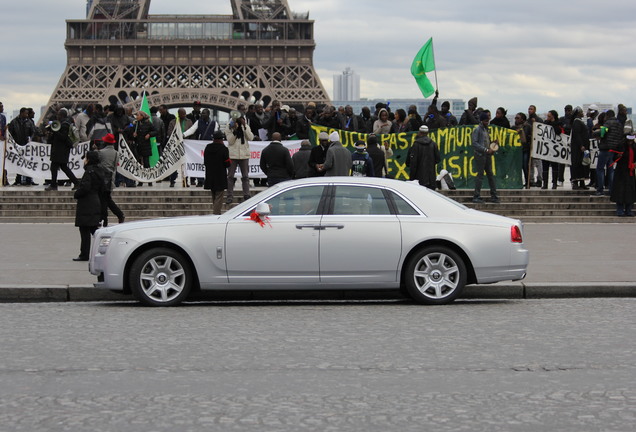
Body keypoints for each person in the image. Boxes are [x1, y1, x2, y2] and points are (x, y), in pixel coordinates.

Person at [72, 151, 105, 262]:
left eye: (85, 158)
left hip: (87, 204)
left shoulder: (89, 172)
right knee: (94, 229)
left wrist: (77, 193)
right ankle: (105, 250)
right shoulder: (99, 171)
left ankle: (84, 254)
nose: (84, 160)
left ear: (89, 159)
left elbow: (86, 187)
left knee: (85, 229)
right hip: (95, 201)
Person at [45, 109, 80, 191]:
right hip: (60, 150)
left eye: (58, 115)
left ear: (62, 115)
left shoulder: (64, 125)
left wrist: (55, 131)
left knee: (55, 167)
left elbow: (63, 137)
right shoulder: (63, 124)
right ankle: (76, 183)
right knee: (64, 167)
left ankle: (54, 185)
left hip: (60, 150)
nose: (57, 116)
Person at [184, 108, 218, 187]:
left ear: (208, 114)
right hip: (200, 147)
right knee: (200, 163)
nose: (202, 114)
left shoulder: (214, 123)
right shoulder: (198, 122)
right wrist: (183, 135)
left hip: (209, 147)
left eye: (204, 113)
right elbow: (191, 130)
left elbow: (216, 134)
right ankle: (200, 180)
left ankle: (207, 180)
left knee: (209, 164)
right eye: (202, 113)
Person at [96, 133, 125, 226]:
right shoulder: (116, 153)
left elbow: (98, 164)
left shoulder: (100, 152)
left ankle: (105, 219)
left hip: (102, 180)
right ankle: (119, 215)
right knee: (107, 199)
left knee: (104, 200)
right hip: (110, 179)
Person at [225, 114, 254, 203]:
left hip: (244, 155)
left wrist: (244, 126)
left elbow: (251, 137)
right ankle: (229, 196)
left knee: (245, 176)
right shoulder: (229, 127)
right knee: (230, 176)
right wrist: (235, 131)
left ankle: (246, 194)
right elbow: (230, 141)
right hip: (233, 155)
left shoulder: (245, 126)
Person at [471, 112, 499, 203]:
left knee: (490, 175)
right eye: (486, 121)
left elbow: (486, 142)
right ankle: (476, 195)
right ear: (482, 121)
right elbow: (475, 144)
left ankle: (494, 195)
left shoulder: (486, 130)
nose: (487, 122)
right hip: (480, 155)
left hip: (487, 155)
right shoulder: (478, 130)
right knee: (480, 175)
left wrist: (493, 144)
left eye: (488, 121)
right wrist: (486, 150)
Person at [593, 109, 622, 196]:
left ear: (608, 116)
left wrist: (599, 135)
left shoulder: (607, 123)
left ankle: (600, 190)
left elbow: (602, 133)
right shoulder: (619, 124)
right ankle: (611, 189)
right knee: (611, 170)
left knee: (600, 169)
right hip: (614, 150)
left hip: (605, 148)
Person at [203, 130, 231, 215]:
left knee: (214, 196)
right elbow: (227, 163)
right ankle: (216, 213)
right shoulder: (224, 149)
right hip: (220, 176)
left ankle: (216, 211)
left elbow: (205, 162)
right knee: (219, 197)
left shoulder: (208, 147)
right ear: (221, 139)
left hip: (210, 176)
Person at [408, 125, 441, 189]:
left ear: (419, 132)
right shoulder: (433, 144)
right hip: (431, 178)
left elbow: (413, 162)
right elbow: (438, 159)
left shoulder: (416, 144)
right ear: (427, 133)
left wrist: (412, 178)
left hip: (418, 179)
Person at [610, 134, 635, 216]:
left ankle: (628, 209)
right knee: (620, 190)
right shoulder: (621, 146)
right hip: (621, 171)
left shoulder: (634, 147)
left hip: (630, 171)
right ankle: (620, 209)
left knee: (629, 191)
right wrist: (618, 156)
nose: (630, 142)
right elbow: (614, 158)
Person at [132, 110, 157, 186]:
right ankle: (140, 180)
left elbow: (155, 131)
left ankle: (149, 180)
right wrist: (134, 135)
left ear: (142, 116)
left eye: (138, 115)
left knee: (146, 164)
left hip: (145, 146)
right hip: (138, 146)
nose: (136, 117)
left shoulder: (148, 123)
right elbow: (132, 135)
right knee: (139, 164)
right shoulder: (136, 124)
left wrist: (149, 134)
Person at [569, 107, 590, 190]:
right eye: (581, 112)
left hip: (582, 148)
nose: (583, 113)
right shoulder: (577, 122)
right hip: (578, 148)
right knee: (577, 164)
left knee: (583, 165)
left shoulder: (579, 121)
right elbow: (577, 135)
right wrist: (581, 145)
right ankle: (575, 183)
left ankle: (582, 182)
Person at [541, 110, 561, 190]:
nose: (547, 118)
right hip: (546, 148)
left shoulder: (558, 123)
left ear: (553, 116)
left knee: (554, 166)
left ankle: (554, 183)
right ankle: (545, 183)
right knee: (545, 166)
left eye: (549, 116)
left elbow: (558, 132)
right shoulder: (545, 123)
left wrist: (553, 123)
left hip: (554, 148)